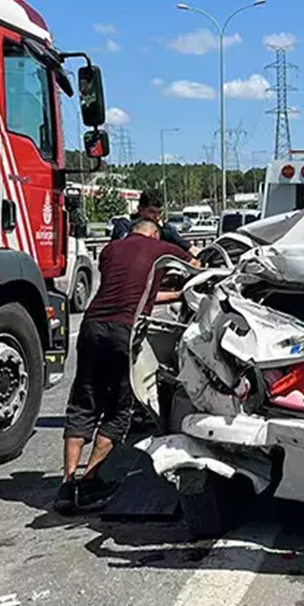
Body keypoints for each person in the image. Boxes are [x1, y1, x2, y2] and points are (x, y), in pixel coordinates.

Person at [56, 218, 198, 514]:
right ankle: (90, 478)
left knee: (84, 401)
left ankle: (68, 484)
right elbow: (196, 266)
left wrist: (173, 294)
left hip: (92, 327)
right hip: (124, 331)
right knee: (120, 408)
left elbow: (134, 291)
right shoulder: (161, 247)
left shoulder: (110, 250)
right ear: (154, 232)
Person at [110, 189, 193, 252]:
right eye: (152, 212)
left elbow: (189, 248)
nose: (157, 217)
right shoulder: (125, 225)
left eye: (159, 212)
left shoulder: (165, 228)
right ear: (140, 209)